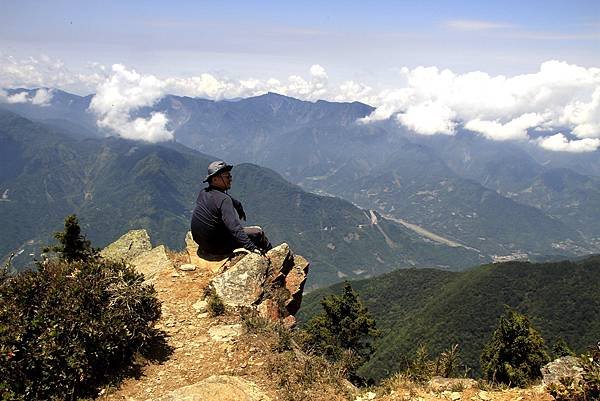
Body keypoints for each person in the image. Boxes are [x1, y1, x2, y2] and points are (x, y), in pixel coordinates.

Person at [191, 160, 272, 259]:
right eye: (227, 177)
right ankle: (272, 256)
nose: (230, 179)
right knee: (258, 232)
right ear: (215, 179)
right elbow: (234, 228)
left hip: (202, 242)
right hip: (216, 247)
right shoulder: (224, 200)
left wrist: (238, 205)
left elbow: (219, 198)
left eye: (230, 176)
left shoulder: (203, 192)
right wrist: (251, 247)